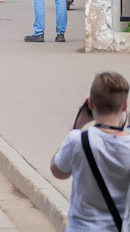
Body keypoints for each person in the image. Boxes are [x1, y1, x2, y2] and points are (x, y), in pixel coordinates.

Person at [51, 72, 130, 231]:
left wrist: (78, 123)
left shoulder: (76, 140)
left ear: (91, 104)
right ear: (124, 106)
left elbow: (58, 171)